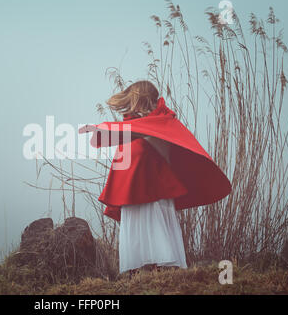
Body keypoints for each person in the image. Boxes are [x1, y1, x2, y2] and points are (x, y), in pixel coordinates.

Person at [79, 80, 232, 274]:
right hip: (135, 192)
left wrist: (104, 127)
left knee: (158, 231)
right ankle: (146, 272)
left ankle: (161, 269)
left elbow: (136, 134)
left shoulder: (160, 123)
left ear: (140, 100)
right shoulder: (141, 126)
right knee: (142, 231)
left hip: (155, 191)